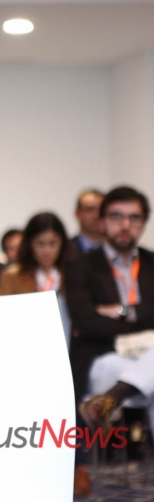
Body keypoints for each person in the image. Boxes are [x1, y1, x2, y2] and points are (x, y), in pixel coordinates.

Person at [65, 185, 153, 495]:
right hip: (102, 359)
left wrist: (120, 311)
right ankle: (114, 392)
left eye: (134, 217)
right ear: (102, 221)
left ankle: (112, 398)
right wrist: (140, 316)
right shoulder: (80, 266)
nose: (125, 225)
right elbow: (86, 322)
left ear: (143, 223)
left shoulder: (153, 263)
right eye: (117, 216)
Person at [0, 213, 68, 296]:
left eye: (53, 243)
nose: (47, 251)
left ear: (62, 242)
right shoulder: (12, 277)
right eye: (40, 244)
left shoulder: (73, 273)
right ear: (29, 243)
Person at [68, 189, 105, 259]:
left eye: (101, 210)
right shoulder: (65, 250)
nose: (97, 215)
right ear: (77, 213)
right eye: (90, 209)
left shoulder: (118, 248)